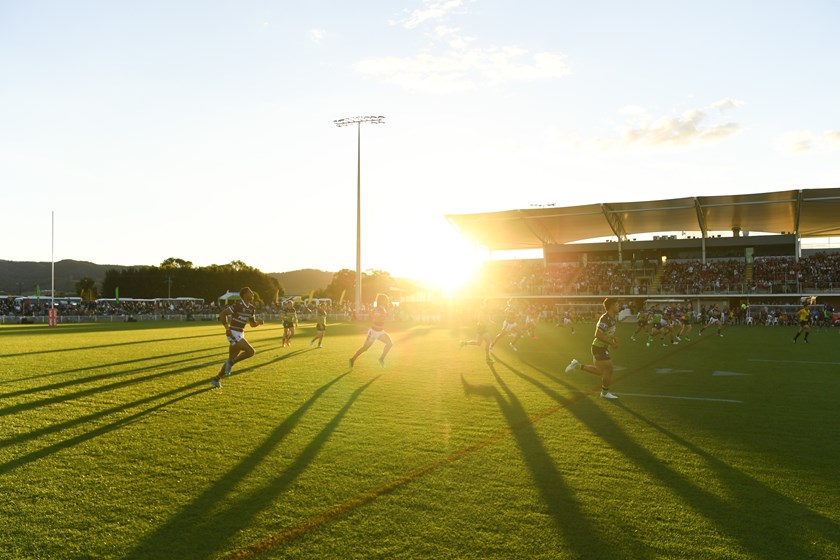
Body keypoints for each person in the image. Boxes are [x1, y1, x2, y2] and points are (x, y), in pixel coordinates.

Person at [564, 297, 620, 399]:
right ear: (611, 306)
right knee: (609, 369)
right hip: (599, 347)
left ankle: (577, 366)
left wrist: (613, 338)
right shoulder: (605, 318)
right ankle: (604, 393)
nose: (619, 306)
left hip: (601, 347)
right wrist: (611, 343)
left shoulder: (612, 318)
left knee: (601, 371)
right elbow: (598, 334)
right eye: (617, 304)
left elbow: (607, 332)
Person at [211, 287, 264, 388]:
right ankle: (230, 363)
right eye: (250, 292)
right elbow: (223, 314)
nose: (252, 294)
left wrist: (258, 323)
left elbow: (252, 324)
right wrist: (227, 328)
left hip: (240, 333)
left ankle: (216, 379)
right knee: (251, 352)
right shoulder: (238, 305)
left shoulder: (252, 308)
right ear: (244, 295)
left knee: (231, 359)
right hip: (233, 333)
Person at [349, 293, 393, 368]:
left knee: (389, 344)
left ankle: (381, 359)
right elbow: (374, 317)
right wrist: (383, 316)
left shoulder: (382, 308)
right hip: (373, 332)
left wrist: (386, 314)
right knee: (365, 348)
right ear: (382, 300)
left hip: (380, 332)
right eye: (386, 300)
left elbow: (381, 316)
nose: (387, 301)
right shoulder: (378, 308)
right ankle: (352, 359)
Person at [460, 299, 494, 364]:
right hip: (481, 328)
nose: (491, 305)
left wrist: (491, 321)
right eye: (490, 304)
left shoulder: (488, 310)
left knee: (478, 343)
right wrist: (487, 323)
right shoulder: (483, 310)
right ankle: (487, 358)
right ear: (487, 304)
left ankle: (464, 343)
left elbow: (487, 318)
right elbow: (480, 319)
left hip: (482, 327)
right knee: (488, 341)